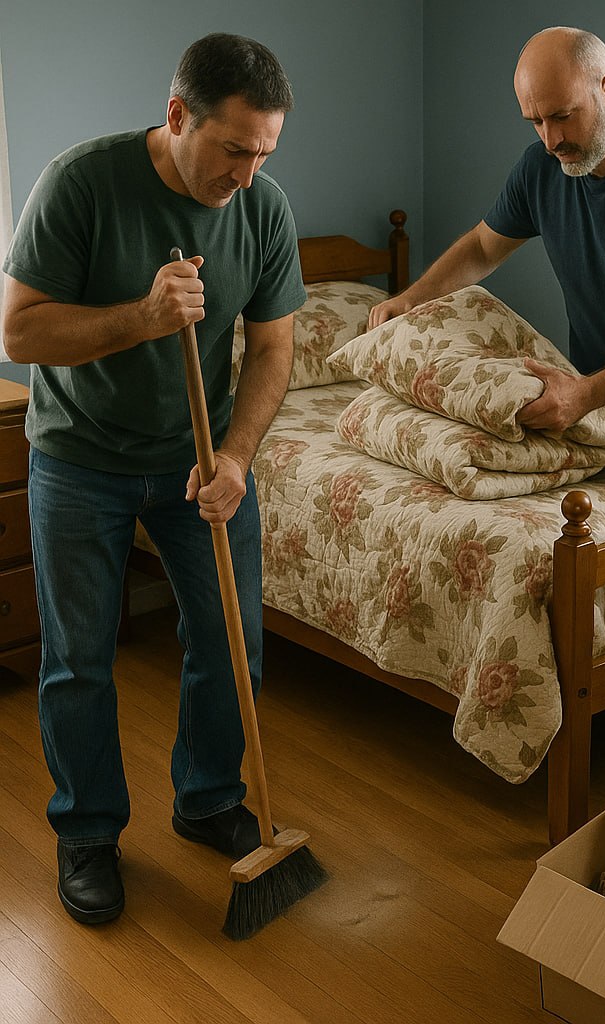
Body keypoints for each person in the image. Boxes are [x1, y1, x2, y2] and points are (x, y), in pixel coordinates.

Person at [367, 26, 605, 737]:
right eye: (535, 122)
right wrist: (410, 299)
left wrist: (583, 393)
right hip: (602, 392)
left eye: (563, 116)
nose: (551, 139)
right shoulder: (542, 168)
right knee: (597, 553)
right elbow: (483, 245)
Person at [1, 33, 307, 926]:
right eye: (234, 149)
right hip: (79, 458)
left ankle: (208, 798)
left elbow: (274, 346)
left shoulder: (263, 208)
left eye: (265, 153)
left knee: (230, 640)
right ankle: (88, 832)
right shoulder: (80, 183)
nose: (247, 174)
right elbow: (19, 332)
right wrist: (140, 317)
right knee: (78, 660)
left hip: (198, 460)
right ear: (178, 116)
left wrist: (236, 457)